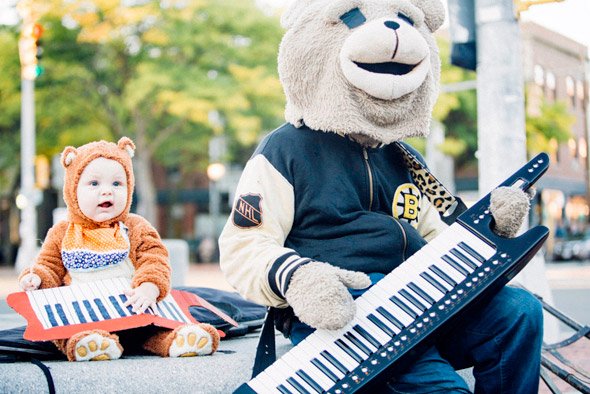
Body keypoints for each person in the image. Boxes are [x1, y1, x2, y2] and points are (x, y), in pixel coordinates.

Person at [219, 0, 544, 391]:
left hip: (419, 296)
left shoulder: (404, 155)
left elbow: (439, 237)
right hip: (349, 309)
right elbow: (243, 246)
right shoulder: (285, 149)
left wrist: (491, 231)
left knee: (520, 310)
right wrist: (299, 278)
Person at [19, 137, 219, 361]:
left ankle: (180, 340)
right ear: (73, 189)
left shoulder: (135, 226)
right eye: (94, 184)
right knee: (63, 328)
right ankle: (91, 344)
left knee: (157, 328)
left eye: (117, 184)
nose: (107, 192)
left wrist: (150, 286)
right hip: (84, 314)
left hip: (134, 309)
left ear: (129, 187)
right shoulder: (62, 232)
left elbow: (154, 258)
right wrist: (36, 277)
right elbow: (49, 266)